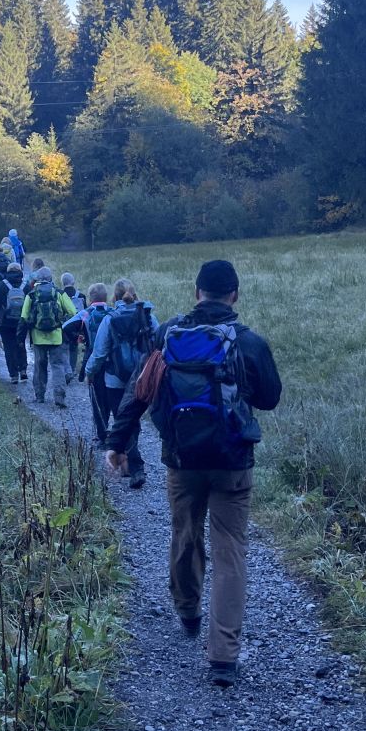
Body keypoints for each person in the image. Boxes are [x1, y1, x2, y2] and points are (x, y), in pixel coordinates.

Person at [105, 259, 282, 687]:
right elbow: (270, 399)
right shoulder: (248, 341)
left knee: (185, 534)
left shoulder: (168, 335)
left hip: (181, 461)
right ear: (235, 295)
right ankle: (223, 656)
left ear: (196, 291)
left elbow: (138, 389)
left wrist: (117, 443)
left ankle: (188, 611)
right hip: (233, 462)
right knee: (230, 551)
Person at [85, 279, 159, 488]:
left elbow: (99, 353)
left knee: (123, 420)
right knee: (132, 421)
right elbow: (159, 344)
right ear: (135, 296)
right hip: (143, 377)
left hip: (115, 380)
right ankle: (130, 465)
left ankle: (136, 467)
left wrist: (89, 373)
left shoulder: (110, 319)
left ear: (114, 298)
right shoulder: (148, 316)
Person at [19, 264, 76, 406]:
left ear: (37, 278)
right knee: (57, 366)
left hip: (38, 337)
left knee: (39, 366)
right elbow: (73, 312)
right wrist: (61, 322)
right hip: (56, 336)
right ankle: (59, 397)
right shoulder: (58, 293)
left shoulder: (31, 294)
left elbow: (24, 316)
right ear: (51, 278)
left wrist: (23, 335)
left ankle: (39, 396)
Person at [65, 283, 112, 443]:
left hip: (93, 361)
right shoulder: (113, 312)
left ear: (90, 298)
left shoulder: (85, 314)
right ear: (106, 297)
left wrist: (79, 337)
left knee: (97, 399)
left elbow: (65, 327)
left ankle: (101, 434)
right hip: (113, 363)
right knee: (112, 397)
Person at [0, 260, 29, 383]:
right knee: (20, 343)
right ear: (20, 272)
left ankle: (13, 375)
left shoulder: (0, 285)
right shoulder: (26, 286)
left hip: (4, 321)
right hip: (21, 321)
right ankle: (23, 370)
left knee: (8, 347)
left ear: (8, 272)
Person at [59, 272, 86, 379]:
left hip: (64, 326)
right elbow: (85, 313)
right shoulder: (81, 296)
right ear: (73, 282)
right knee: (74, 348)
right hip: (77, 327)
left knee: (64, 348)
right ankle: (73, 369)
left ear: (62, 283)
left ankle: (66, 370)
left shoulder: (60, 294)